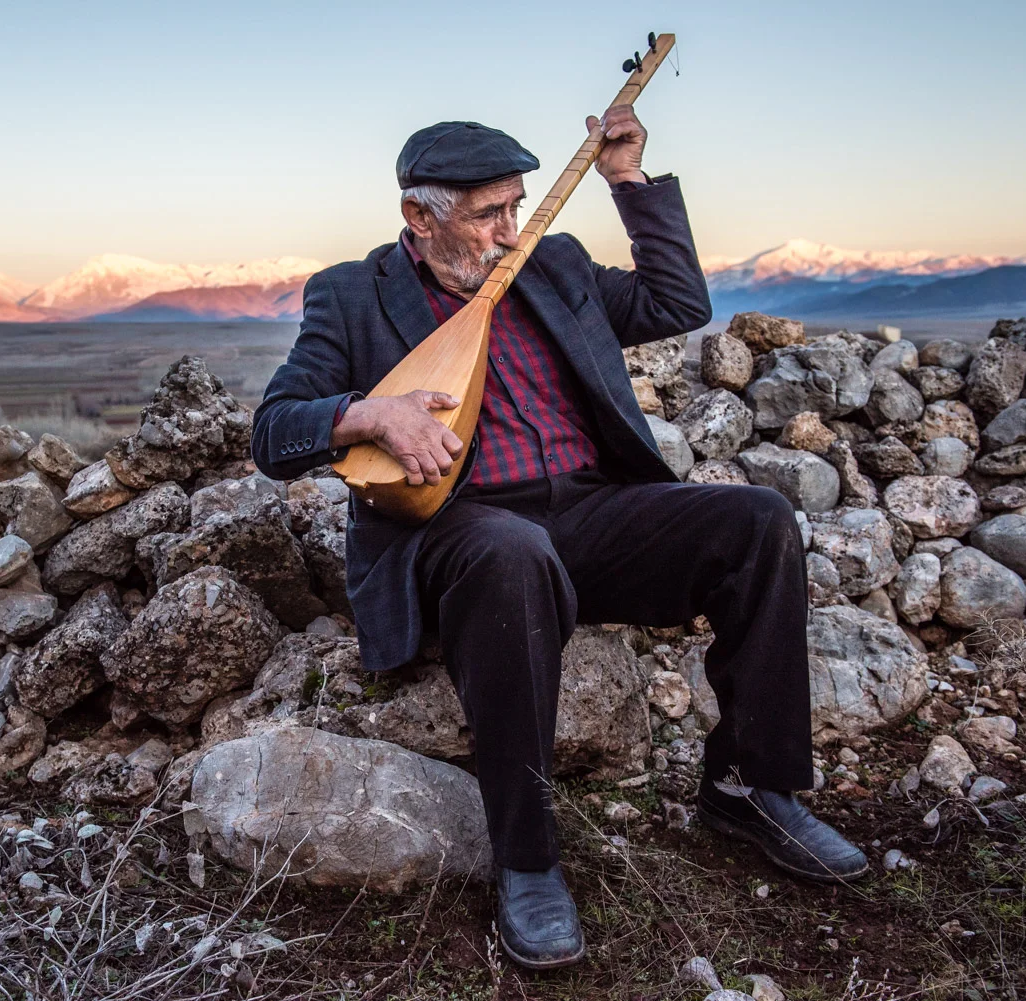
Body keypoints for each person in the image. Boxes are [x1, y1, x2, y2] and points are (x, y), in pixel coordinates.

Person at [250, 111, 868, 971]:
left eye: (516, 205)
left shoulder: (555, 264)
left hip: (590, 511)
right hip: (462, 533)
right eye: (487, 214)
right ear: (419, 216)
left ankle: (750, 788)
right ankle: (527, 859)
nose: (511, 229)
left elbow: (679, 304)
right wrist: (370, 414)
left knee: (757, 520)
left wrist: (627, 179)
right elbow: (273, 431)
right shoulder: (353, 294)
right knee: (510, 550)